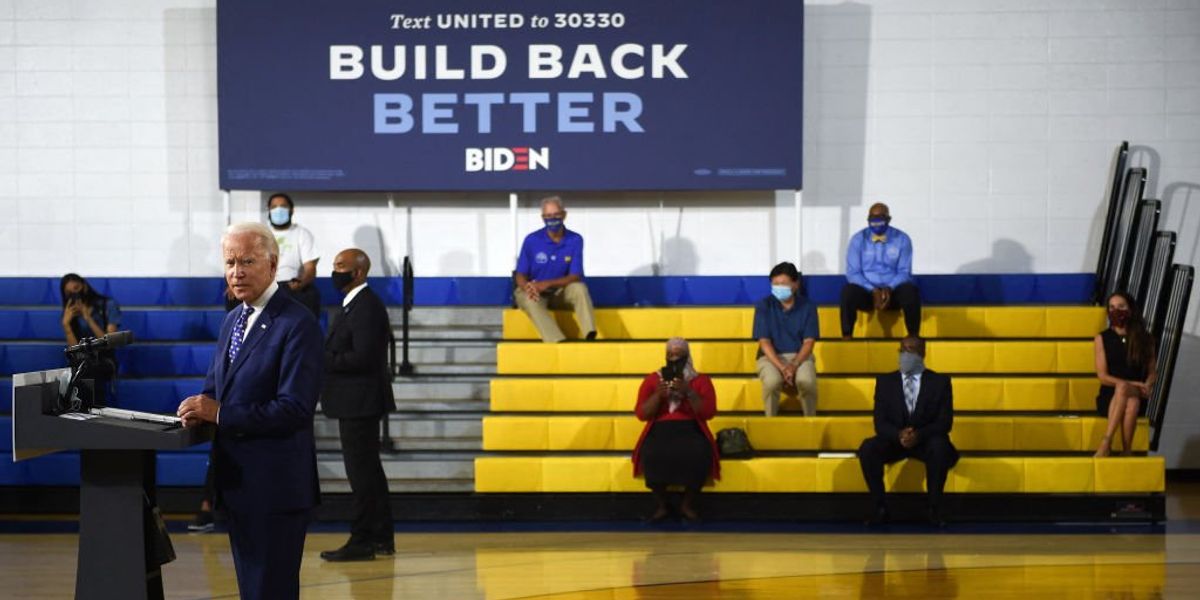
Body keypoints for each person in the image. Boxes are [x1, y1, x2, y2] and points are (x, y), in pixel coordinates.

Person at [177, 222, 323, 600]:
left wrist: (220, 413)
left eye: (247, 261)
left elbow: (294, 409)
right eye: (230, 263)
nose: (236, 272)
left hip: (275, 490)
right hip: (238, 486)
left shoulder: (298, 323)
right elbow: (216, 388)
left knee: (270, 591)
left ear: (273, 265)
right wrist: (198, 409)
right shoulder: (233, 320)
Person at [319, 249, 396, 561]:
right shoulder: (355, 304)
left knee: (362, 474)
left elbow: (363, 357)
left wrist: (323, 358)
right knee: (369, 471)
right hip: (356, 400)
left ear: (359, 272)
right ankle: (380, 536)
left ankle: (362, 540)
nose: (335, 272)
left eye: (341, 266)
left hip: (360, 401)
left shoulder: (366, 307)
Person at [857, 337, 958, 526]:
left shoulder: (940, 382)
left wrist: (918, 435)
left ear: (922, 354)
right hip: (895, 440)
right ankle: (880, 508)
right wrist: (899, 435)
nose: (905, 355)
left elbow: (944, 423)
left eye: (910, 350)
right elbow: (880, 423)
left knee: (939, 447)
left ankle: (934, 508)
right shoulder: (885, 382)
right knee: (868, 448)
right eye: (902, 350)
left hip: (926, 440)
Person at [632, 338, 719, 522]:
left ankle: (687, 504)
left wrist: (689, 392)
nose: (673, 358)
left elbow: (708, 412)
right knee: (651, 454)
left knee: (699, 453)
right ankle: (662, 504)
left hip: (691, 427)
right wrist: (658, 396)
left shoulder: (700, 380)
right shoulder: (652, 379)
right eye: (670, 354)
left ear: (687, 356)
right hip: (660, 428)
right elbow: (641, 413)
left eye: (678, 354)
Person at [513, 196, 597, 343]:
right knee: (529, 299)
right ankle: (557, 340)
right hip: (536, 291)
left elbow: (575, 275)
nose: (552, 219)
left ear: (564, 215)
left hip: (559, 292)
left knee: (579, 288)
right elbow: (520, 273)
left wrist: (547, 284)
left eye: (556, 215)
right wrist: (528, 287)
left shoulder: (575, 239)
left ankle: (590, 333)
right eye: (548, 216)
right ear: (542, 218)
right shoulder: (532, 240)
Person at [840, 202, 921, 339]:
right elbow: (853, 273)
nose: (876, 221)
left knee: (910, 292)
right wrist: (873, 290)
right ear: (868, 219)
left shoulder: (902, 239)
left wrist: (889, 288)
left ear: (888, 219)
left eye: (880, 217)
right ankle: (847, 337)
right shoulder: (857, 239)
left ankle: (913, 337)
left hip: (893, 292)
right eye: (872, 218)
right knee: (848, 292)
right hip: (867, 293)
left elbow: (904, 271)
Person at [1094, 291, 1157, 457]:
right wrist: (1134, 383)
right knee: (1131, 401)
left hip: (1138, 391)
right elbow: (1102, 376)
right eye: (1112, 307)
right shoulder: (1102, 338)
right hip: (1110, 396)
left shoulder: (1146, 338)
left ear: (1130, 310)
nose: (1116, 311)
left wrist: (1148, 384)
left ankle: (1106, 443)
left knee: (1128, 393)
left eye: (1121, 306)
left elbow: (1152, 372)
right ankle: (1127, 450)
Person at [753, 262, 819, 416]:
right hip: (770, 358)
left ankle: (811, 420)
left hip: (800, 356)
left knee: (807, 382)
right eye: (775, 284)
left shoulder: (808, 306)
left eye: (783, 283)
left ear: (795, 284)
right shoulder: (764, 306)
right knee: (772, 382)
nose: (778, 287)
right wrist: (783, 368)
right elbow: (764, 342)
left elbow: (809, 342)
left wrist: (794, 365)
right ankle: (770, 421)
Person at [267, 193, 322, 317]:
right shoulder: (261, 234)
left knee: (310, 295)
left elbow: (310, 268)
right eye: (274, 207)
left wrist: (301, 283)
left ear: (292, 210)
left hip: (291, 284)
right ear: (269, 210)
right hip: (265, 285)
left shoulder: (302, 233)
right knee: (233, 296)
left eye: (283, 206)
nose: (278, 210)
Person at [60, 273, 122, 346]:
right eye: (69, 293)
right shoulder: (70, 314)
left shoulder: (107, 305)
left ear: (84, 285)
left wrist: (88, 318)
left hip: (103, 353)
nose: (74, 294)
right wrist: (66, 325)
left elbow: (110, 343)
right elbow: (75, 350)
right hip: (83, 353)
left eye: (76, 288)